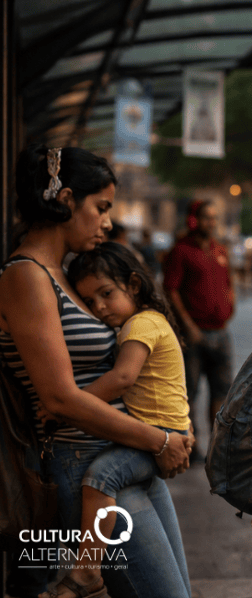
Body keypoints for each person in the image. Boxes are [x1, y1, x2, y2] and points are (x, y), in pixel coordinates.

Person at [0, 145, 192, 598]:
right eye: (101, 207)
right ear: (66, 200)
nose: (108, 222)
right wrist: (159, 440)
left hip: (128, 458)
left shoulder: (63, 272)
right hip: (88, 468)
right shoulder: (26, 276)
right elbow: (59, 398)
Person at [36, 242, 191, 597]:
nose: (100, 308)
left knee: (99, 478)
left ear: (134, 285)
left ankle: (88, 570)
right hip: (158, 433)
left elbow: (123, 378)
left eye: (106, 294)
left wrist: (71, 403)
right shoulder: (146, 321)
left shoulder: (140, 324)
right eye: (90, 303)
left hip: (158, 436)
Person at [163, 200, 235, 447]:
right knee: (189, 393)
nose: (211, 223)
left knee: (222, 391)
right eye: (207, 217)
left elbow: (228, 282)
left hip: (221, 333)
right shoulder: (181, 251)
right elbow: (170, 290)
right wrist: (188, 326)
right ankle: (190, 444)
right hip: (194, 334)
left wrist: (230, 303)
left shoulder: (220, 250)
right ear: (194, 219)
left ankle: (216, 445)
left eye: (215, 218)